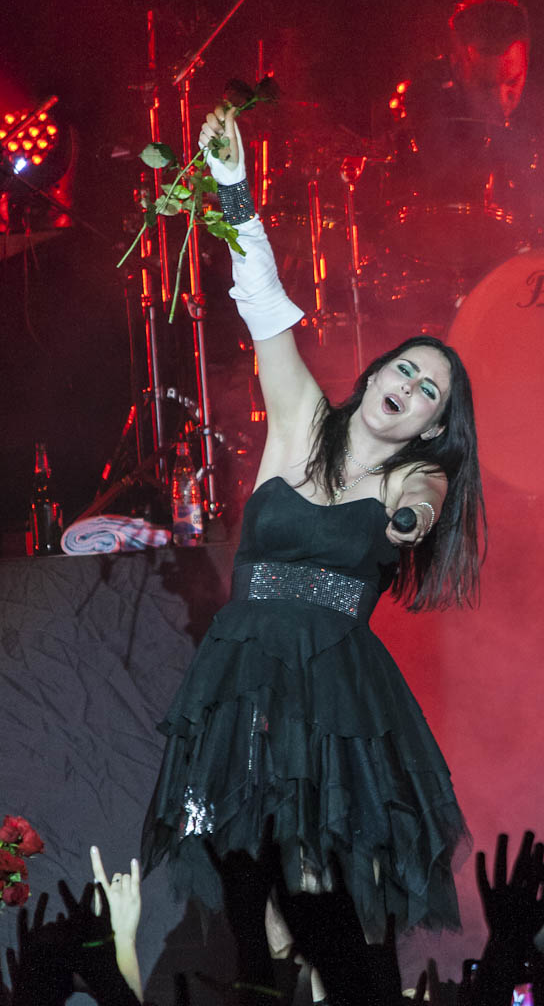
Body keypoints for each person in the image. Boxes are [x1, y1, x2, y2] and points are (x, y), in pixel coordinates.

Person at [141, 104, 485, 940]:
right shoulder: (300, 422)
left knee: (317, 882)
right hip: (244, 670)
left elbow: (420, 505)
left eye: (429, 391)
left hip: (333, 690)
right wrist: (234, 185)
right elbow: (265, 307)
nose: (409, 385)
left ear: (433, 424)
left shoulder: (418, 473)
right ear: (376, 374)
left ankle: (330, 998)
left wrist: (406, 521)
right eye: (405, 368)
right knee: (247, 871)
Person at [387, 0, 544, 264]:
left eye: (513, 82)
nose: (500, 100)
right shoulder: (429, 93)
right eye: (485, 86)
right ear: (457, 65)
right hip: (460, 259)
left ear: (526, 60)